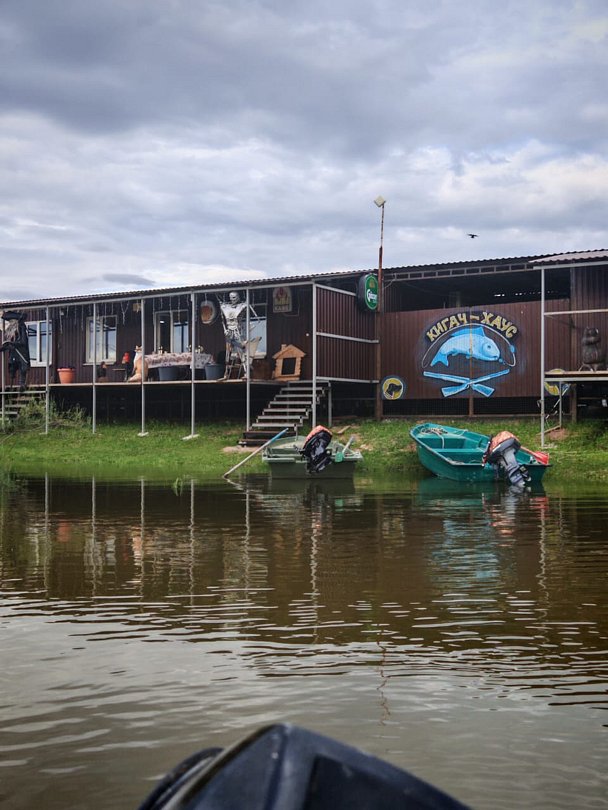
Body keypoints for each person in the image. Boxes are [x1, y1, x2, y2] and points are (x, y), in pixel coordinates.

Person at [219, 292, 256, 378]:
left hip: (237, 332)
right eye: (231, 297)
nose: (233, 299)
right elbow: (222, 319)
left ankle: (246, 372)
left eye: (234, 297)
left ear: (238, 297)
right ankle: (226, 373)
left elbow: (252, 317)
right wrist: (225, 329)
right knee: (228, 352)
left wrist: (249, 330)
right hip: (229, 332)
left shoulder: (242, 306)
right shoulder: (225, 307)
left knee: (241, 351)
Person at [0, 310, 31, 390]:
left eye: (11, 321)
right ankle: (11, 386)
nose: (10, 323)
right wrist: (4, 347)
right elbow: (9, 343)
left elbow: (23, 342)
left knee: (22, 369)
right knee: (12, 368)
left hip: (21, 353)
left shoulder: (21, 327)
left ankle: (22, 385)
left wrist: (12, 344)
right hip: (14, 354)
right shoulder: (11, 331)